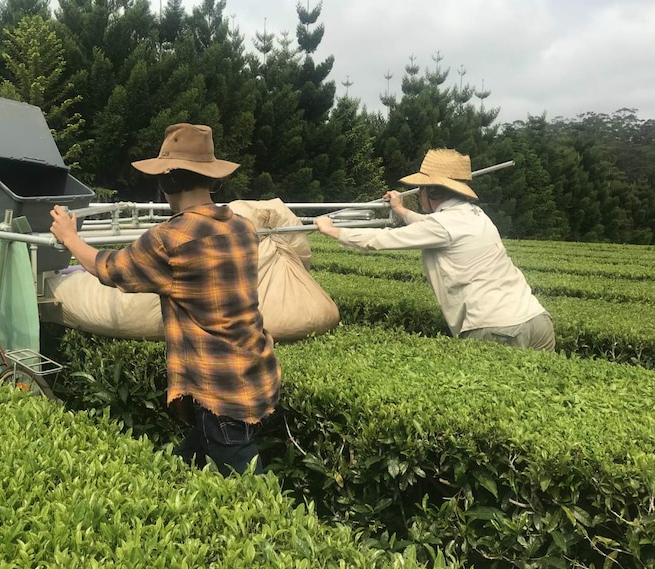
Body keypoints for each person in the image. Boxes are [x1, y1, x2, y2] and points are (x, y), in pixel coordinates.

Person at [49, 123, 281, 475]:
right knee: (186, 461)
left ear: (169, 181)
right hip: (255, 369)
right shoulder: (240, 227)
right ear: (212, 180)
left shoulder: (169, 239)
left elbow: (109, 269)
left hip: (220, 391)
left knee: (252, 492)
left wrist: (69, 237)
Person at [314, 148, 555, 352]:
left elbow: (383, 239)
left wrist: (334, 231)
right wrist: (400, 210)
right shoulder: (475, 215)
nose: (419, 194)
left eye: (422, 188)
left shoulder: (443, 224)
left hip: (496, 329)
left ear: (435, 191)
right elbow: (431, 227)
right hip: (537, 320)